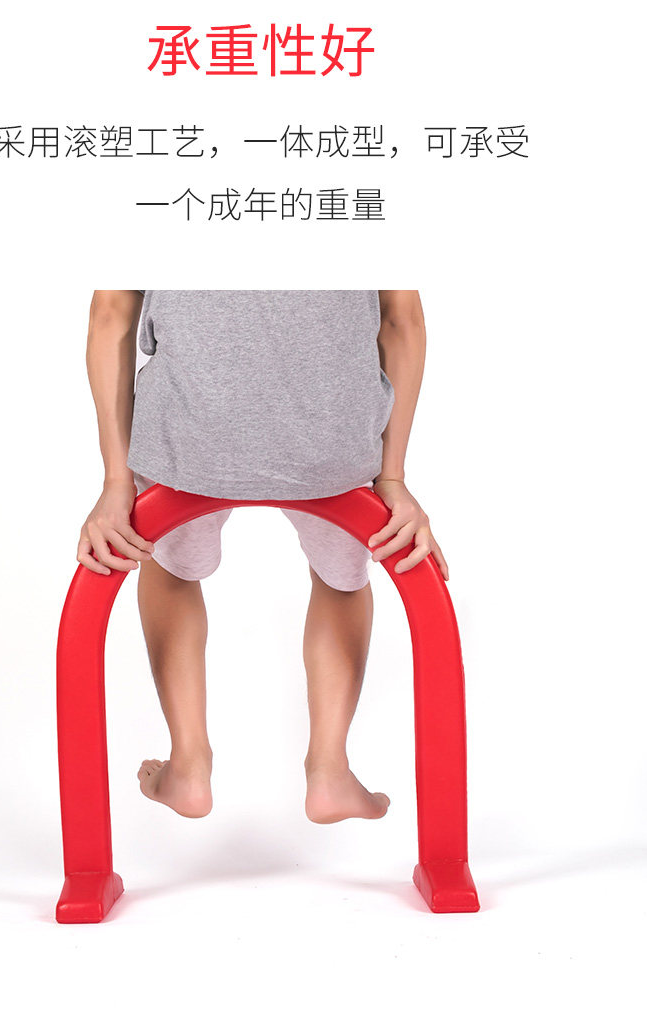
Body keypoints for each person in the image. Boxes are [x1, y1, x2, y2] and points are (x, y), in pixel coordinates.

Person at [77, 290, 448, 824]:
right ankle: (330, 771)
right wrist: (391, 476)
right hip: (333, 443)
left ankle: (188, 765)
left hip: (191, 433)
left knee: (169, 571)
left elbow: (111, 313)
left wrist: (116, 481)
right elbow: (401, 320)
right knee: (341, 582)